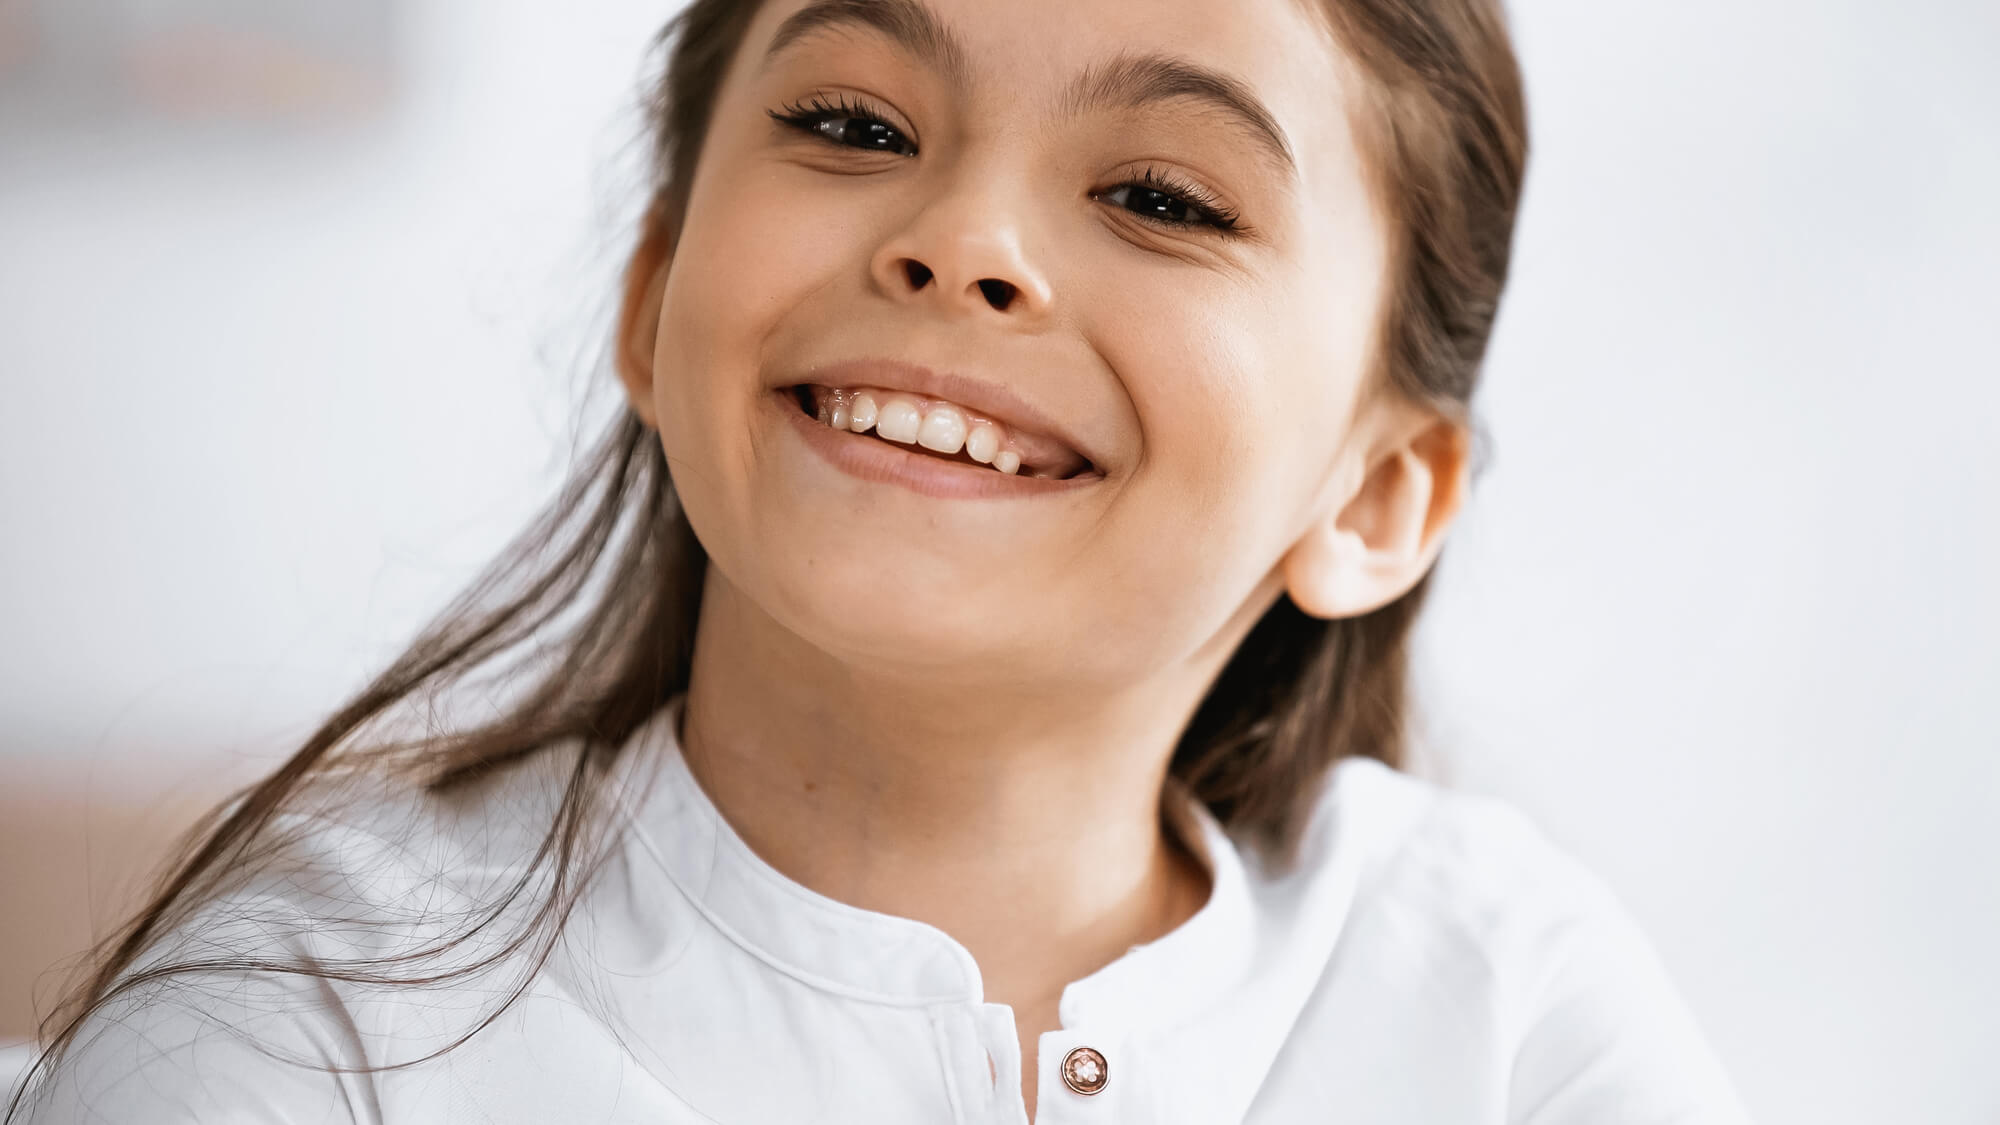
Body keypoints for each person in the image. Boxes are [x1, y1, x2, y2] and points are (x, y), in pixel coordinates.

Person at [8, 0, 1757, 1121]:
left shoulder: (1502, 998)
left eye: (1165, 195)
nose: (964, 242)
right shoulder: (300, 1035)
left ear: (1376, 498)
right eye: (855, 127)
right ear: (653, 294)